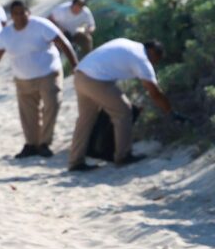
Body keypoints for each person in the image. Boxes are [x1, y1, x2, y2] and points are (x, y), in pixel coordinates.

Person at [0, 0, 78, 159]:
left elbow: (63, 43)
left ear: (29, 12)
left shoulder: (41, 25)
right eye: (16, 14)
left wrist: (75, 65)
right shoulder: (5, 34)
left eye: (22, 13)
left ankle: (44, 143)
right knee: (28, 113)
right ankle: (31, 144)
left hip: (49, 73)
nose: (20, 17)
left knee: (51, 105)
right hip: (23, 79)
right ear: (11, 16)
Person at [67, 39, 181, 172]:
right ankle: (123, 155)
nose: (155, 63)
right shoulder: (142, 59)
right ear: (151, 52)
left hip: (80, 75)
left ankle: (76, 161)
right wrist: (170, 112)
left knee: (85, 119)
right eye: (157, 58)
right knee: (124, 112)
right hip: (96, 80)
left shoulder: (127, 44)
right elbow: (155, 93)